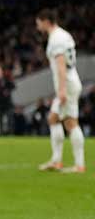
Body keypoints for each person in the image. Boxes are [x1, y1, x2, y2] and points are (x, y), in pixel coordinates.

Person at [35, 9, 85, 173]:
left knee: (70, 122)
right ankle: (57, 161)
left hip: (68, 84)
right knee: (53, 119)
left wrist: (62, 90)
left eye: (39, 22)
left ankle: (79, 164)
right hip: (71, 80)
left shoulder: (56, 39)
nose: (37, 26)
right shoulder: (64, 35)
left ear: (46, 21)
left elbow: (61, 65)